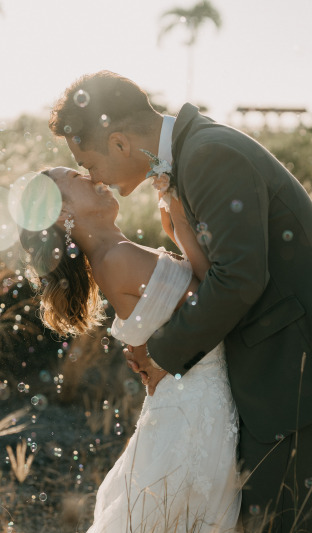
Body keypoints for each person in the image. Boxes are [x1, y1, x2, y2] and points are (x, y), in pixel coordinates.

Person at [47, 71, 312, 532]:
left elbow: (240, 279)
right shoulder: (194, 155)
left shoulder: (209, 156)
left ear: (120, 143)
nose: (93, 176)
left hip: (294, 371)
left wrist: (162, 353)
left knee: (277, 524)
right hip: (269, 372)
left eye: (88, 162)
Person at [20, 167, 241, 532]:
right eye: (78, 179)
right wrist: (182, 224)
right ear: (62, 213)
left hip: (191, 399)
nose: (94, 177)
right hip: (197, 408)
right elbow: (212, 304)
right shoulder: (116, 257)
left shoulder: (113, 254)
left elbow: (163, 313)